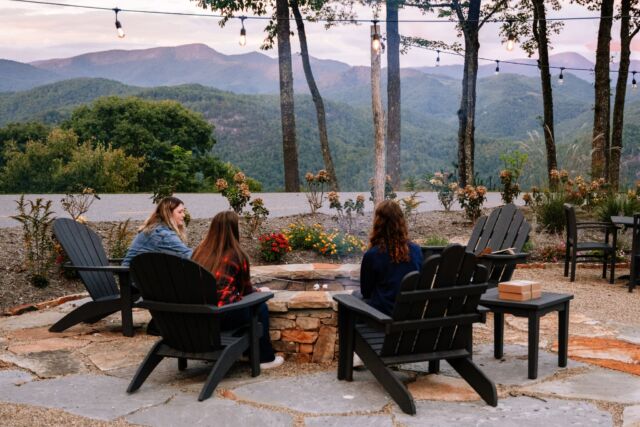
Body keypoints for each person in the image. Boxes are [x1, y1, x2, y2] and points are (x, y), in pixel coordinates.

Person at [191, 211, 284, 370]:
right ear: (234, 229)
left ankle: (245, 352)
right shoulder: (236, 255)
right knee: (259, 307)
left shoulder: (199, 252)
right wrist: (259, 291)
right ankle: (264, 358)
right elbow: (245, 289)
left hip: (197, 318)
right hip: (222, 316)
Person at [360, 200, 423, 316]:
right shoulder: (416, 250)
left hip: (383, 317)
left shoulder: (372, 255)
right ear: (402, 222)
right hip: (411, 315)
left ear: (378, 223)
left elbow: (366, 292)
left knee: (353, 299)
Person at [122, 196, 192, 266]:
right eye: (180, 212)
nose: (184, 215)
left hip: (136, 274)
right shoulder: (162, 234)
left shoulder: (156, 228)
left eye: (183, 211)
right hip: (132, 275)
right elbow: (190, 256)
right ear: (168, 214)